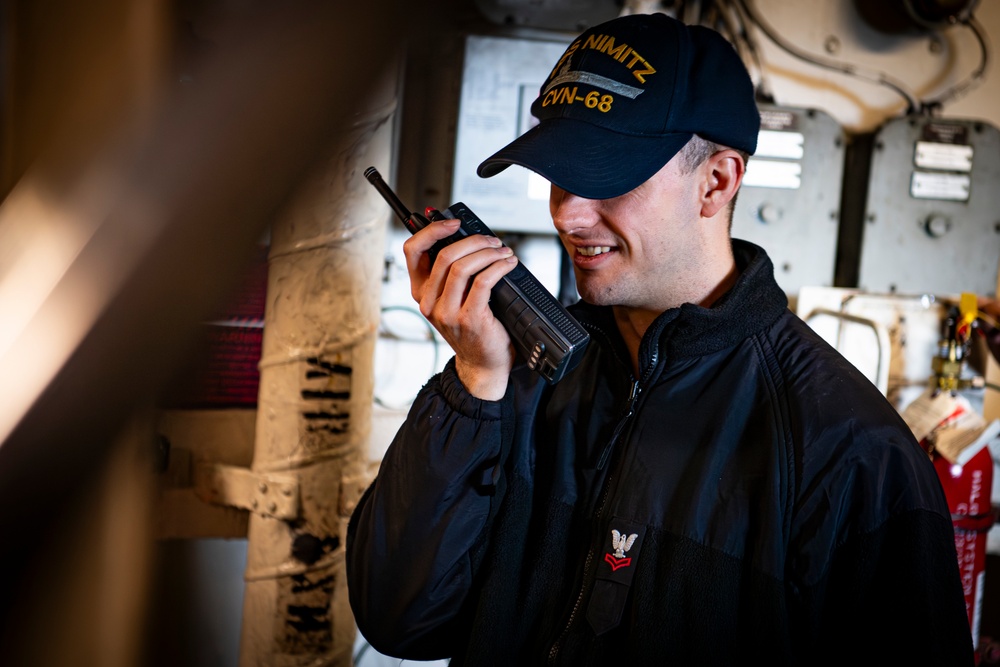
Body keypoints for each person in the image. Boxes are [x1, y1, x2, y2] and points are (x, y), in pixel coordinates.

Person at [346, 12, 974, 666]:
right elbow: (400, 616)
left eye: (607, 173)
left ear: (717, 181)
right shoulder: (518, 373)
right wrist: (474, 385)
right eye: (561, 174)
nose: (567, 212)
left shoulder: (848, 449)